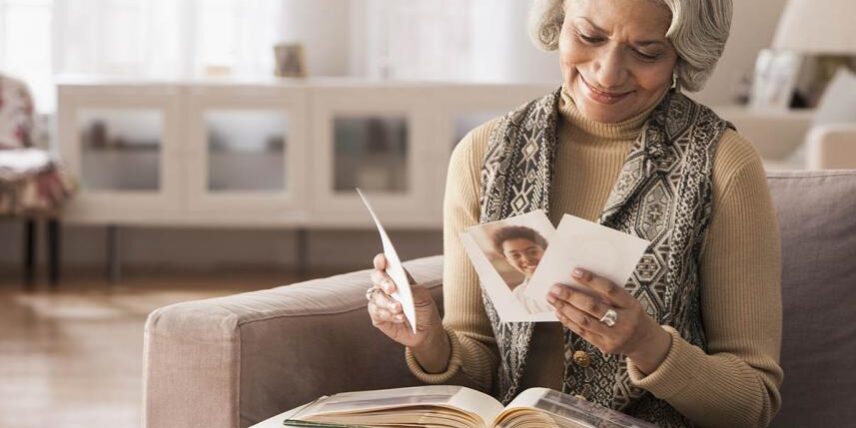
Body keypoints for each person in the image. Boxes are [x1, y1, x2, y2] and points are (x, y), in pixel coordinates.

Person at [366, 0, 782, 426]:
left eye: (647, 52)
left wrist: (648, 345)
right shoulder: (486, 156)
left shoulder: (722, 165)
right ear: (558, 21)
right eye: (590, 36)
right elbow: (479, 362)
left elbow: (753, 404)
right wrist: (431, 340)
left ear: (683, 54)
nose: (607, 73)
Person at [491, 225, 550, 313]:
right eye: (515, 256)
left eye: (532, 252)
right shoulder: (518, 296)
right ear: (508, 261)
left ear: (546, 250)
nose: (526, 259)